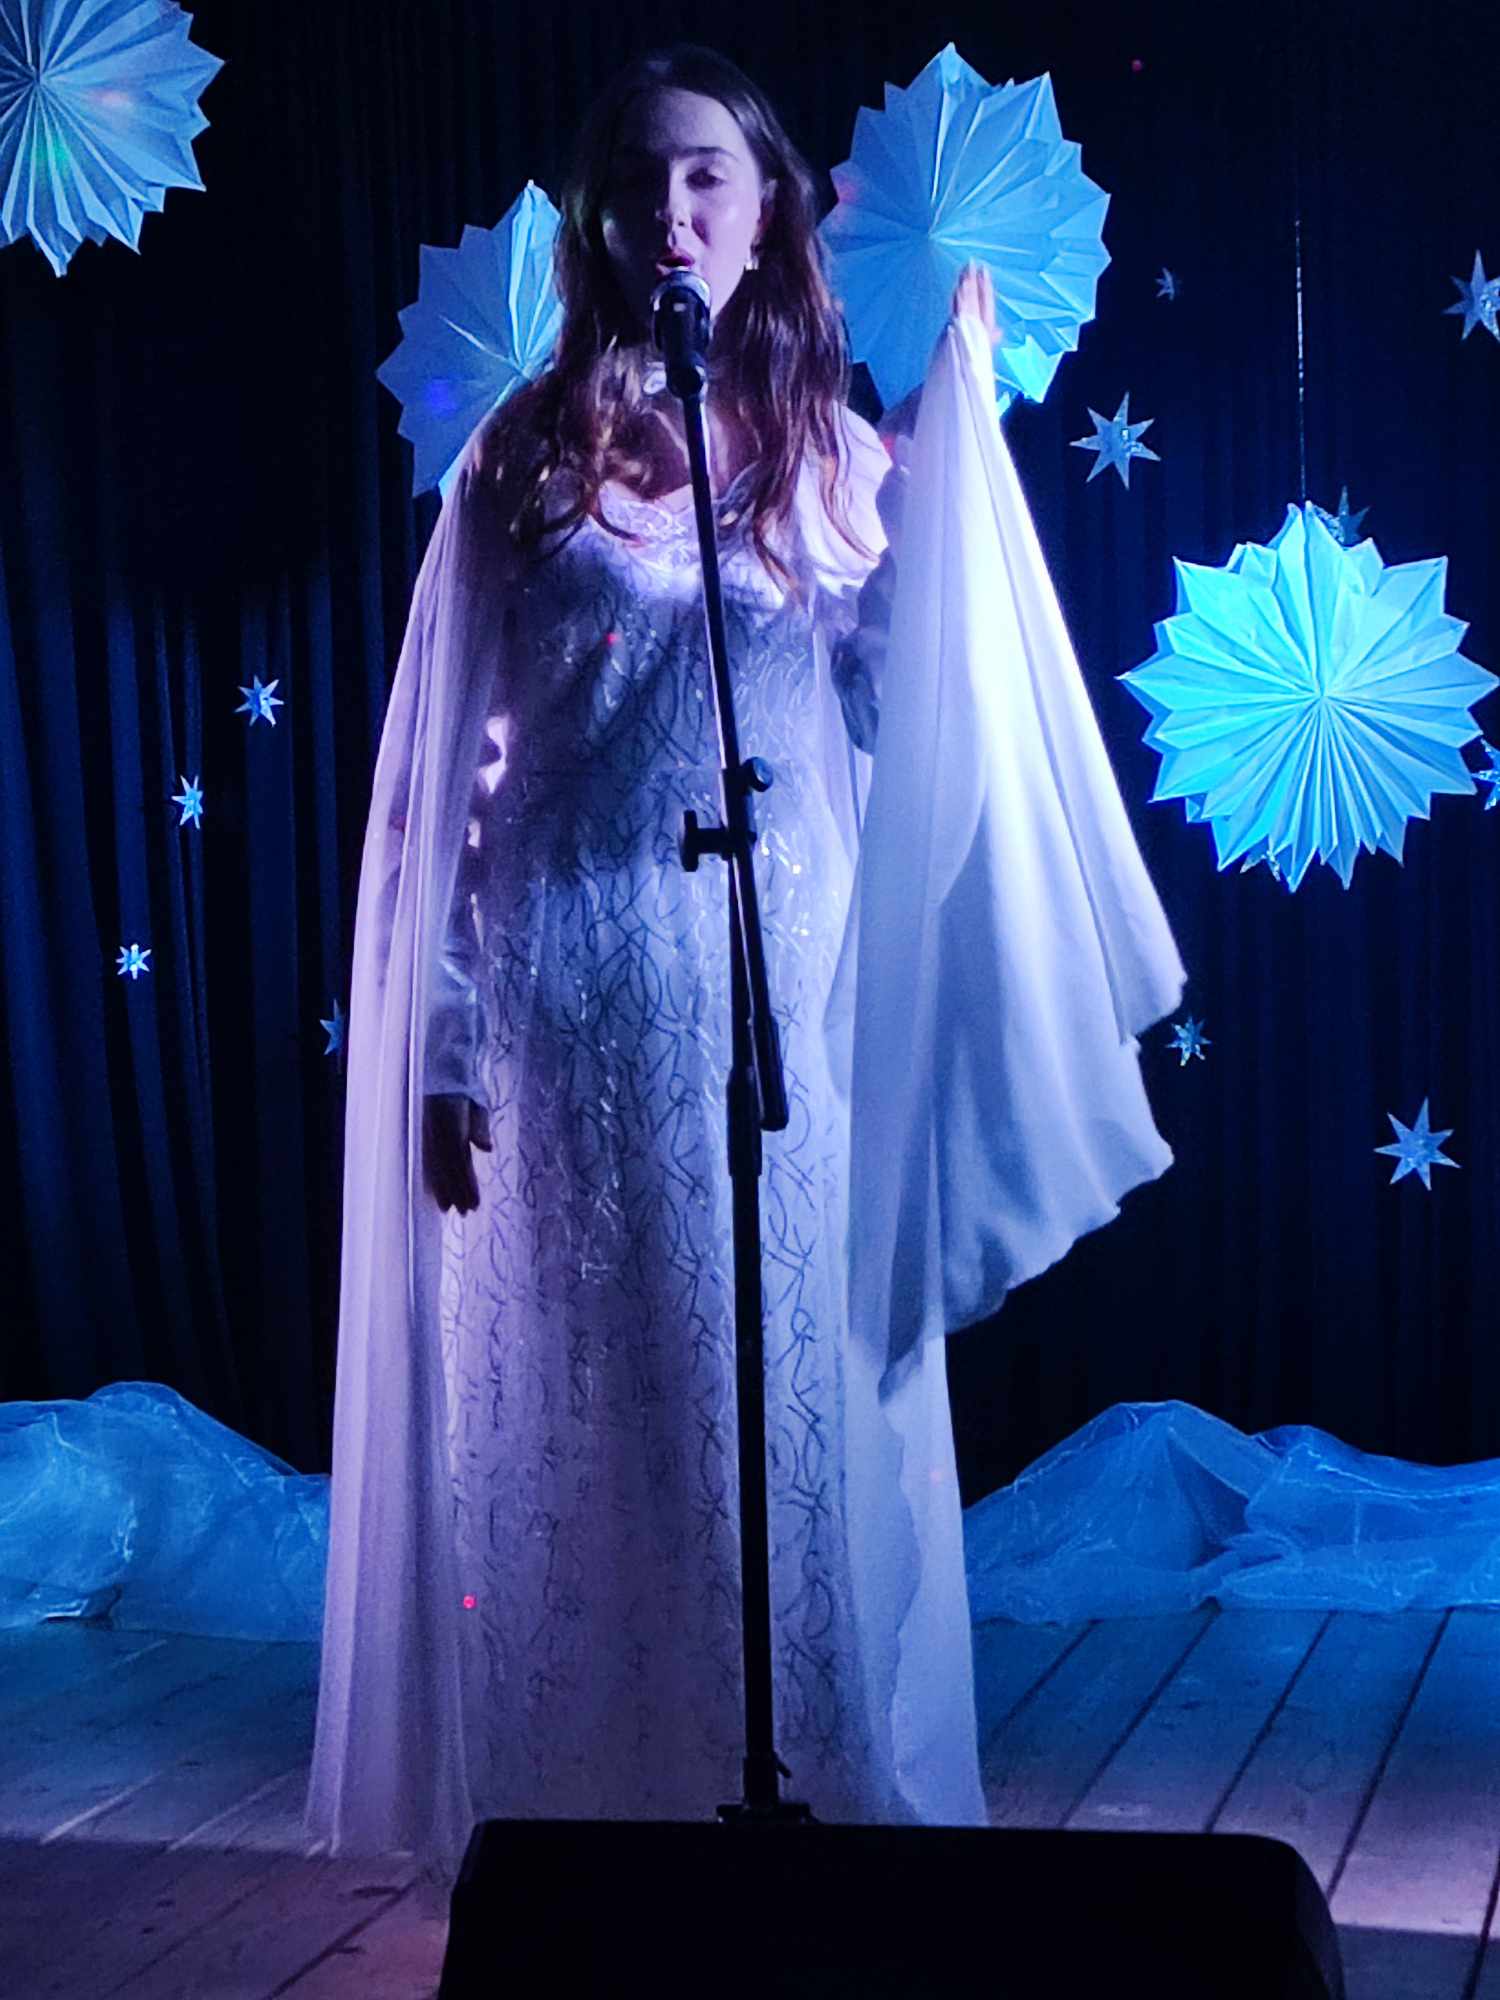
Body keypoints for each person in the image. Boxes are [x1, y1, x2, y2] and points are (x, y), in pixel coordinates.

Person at [307, 42, 1184, 1872]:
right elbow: (451, 788)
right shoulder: (521, 459)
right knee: (611, 1406)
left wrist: (950, 469)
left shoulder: (831, 454)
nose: (672, 209)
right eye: (639, 178)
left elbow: (892, 709)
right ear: (596, 221)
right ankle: (601, 1828)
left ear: (769, 204)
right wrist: (445, 1043)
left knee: (783, 1405)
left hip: (781, 981)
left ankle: (809, 1815)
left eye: (705, 172)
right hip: (570, 995)